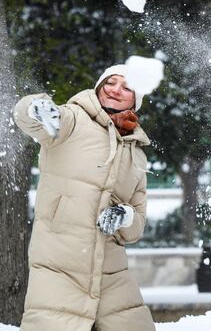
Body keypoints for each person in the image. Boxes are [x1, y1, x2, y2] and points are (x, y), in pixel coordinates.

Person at [14, 65, 155, 331]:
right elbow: (30, 118)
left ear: (136, 100)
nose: (115, 90)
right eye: (110, 82)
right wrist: (36, 108)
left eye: (126, 87)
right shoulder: (72, 119)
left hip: (111, 273)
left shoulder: (137, 155)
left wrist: (124, 216)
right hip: (58, 267)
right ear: (99, 86)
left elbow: (137, 226)